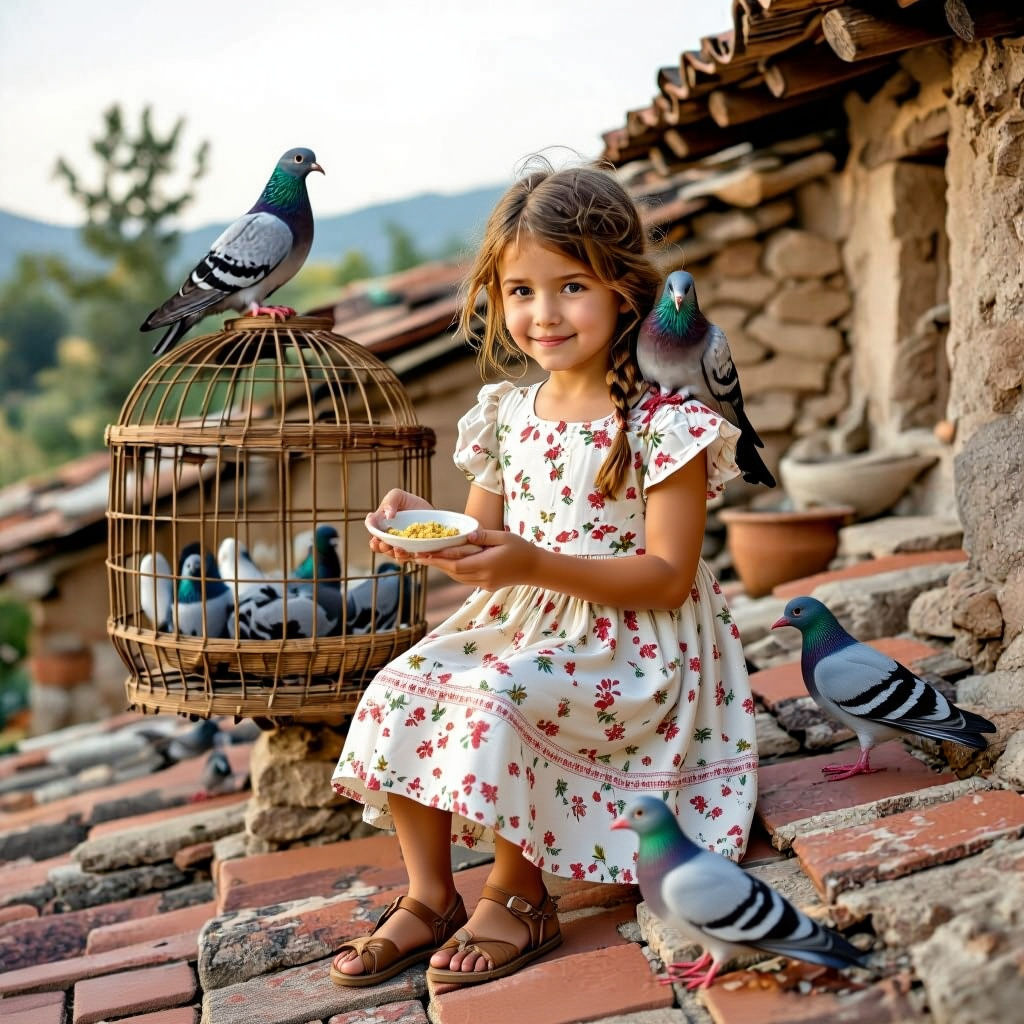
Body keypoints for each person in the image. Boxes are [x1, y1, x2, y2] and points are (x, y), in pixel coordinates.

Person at [329, 163, 758, 989]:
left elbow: (669, 578)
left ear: (623, 291)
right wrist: (426, 528)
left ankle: (517, 894)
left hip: (637, 644)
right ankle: (430, 896)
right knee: (403, 683)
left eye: (569, 287)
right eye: (520, 291)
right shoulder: (504, 413)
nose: (543, 314)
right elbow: (484, 537)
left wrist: (530, 562)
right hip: (528, 618)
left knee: (505, 696)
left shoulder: (665, 423)